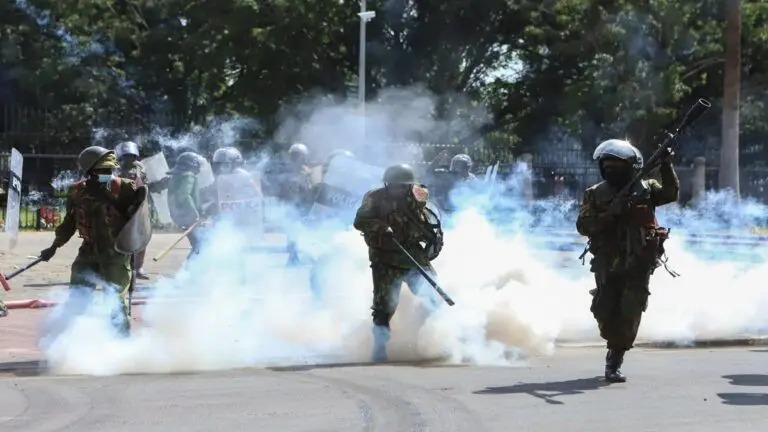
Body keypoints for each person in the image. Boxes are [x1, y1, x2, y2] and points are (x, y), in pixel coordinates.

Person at [576, 139, 679, 383]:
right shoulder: (595, 193)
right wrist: (609, 214)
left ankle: (615, 358)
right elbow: (583, 226)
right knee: (604, 308)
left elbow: (670, 193)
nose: (611, 168)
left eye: (617, 164)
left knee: (631, 309)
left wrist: (666, 165)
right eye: (607, 164)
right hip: (607, 260)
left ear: (630, 166)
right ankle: (613, 341)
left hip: (638, 260)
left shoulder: (646, 188)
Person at [39, 146, 147, 337]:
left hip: (116, 253)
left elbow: (138, 220)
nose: (107, 174)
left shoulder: (125, 188)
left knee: (114, 300)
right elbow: (69, 222)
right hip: (88, 251)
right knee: (77, 296)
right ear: (89, 172)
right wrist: (54, 247)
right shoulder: (77, 192)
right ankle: (71, 340)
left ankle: (121, 343)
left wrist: (132, 202)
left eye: (109, 170)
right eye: (101, 171)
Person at [353, 163, 444, 363]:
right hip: (384, 257)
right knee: (383, 307)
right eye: (393, 185)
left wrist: (433, 236)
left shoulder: (418, 195)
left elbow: (429, 218)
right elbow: (359, 221)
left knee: (434, 297)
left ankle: (419, 332)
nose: (397, 189)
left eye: (401, 186)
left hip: (412, 254)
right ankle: (379, 347)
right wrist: (381, 227)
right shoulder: (374, 198)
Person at [115, 141, 152, 279]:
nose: (129, 159)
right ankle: (118, 267)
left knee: (140, 238)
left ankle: (138, 267)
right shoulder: (114, 169)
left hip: (138, 208)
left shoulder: (140, 168)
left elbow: (145, 185)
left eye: (131, 156)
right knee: (118, 238)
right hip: (120, 207)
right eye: (126, 156)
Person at [279, 143, 314, 265]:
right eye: (295, 156)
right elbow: (283, 190)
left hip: (305, 205)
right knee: (292, 231)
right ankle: (293, 256)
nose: (297, 158)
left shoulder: (308, 172)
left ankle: (308, 254)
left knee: (309, 230)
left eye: (299, 156)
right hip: (292, 205)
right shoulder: (287, 171)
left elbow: (312, 188)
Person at [167, 151, 206, 259]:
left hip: (178, 215)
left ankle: (191, 271)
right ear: (192, 164)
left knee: (198, 243)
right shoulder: (189, 176)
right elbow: (184, 195)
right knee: (200, 244)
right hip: (188, 216)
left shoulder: (177, 176)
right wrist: (194, 214)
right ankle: (189, 270)